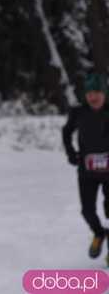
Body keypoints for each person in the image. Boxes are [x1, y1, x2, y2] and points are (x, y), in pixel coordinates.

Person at [62, 72, 109, 262]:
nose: (93, 97)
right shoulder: (79, 112)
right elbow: (66, 132)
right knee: (87, 211)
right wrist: (71, 153)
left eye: (97, 92)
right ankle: (99, 233)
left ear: (105, 93)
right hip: (86, 171)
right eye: (90, 92)